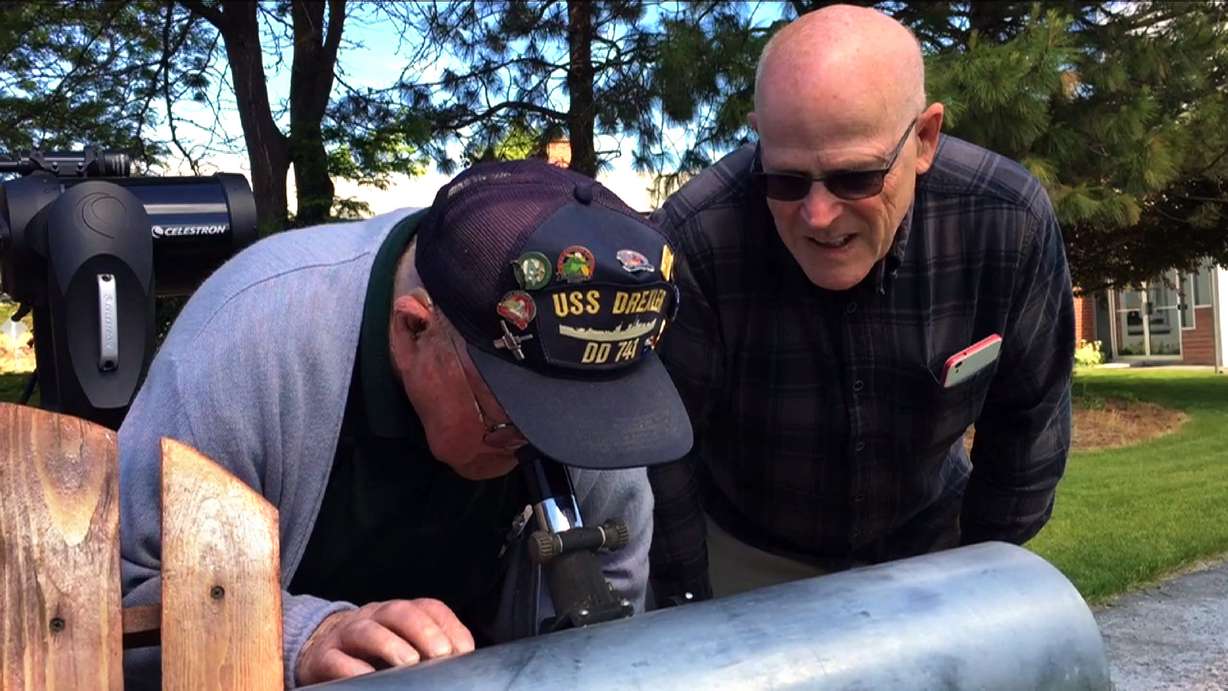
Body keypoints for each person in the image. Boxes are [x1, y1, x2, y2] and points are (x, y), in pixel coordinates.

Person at [119, 160, 692, 688]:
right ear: (414, 328)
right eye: (513, 419)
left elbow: (610, 606)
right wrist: (297, 638)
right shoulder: (249, 344)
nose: (545, 445)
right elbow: (118, 593)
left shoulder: (585, 360)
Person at [648, 4, 1075, 603]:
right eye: (786, 180)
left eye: (855, 178)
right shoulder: (696, 238)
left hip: (934, 543)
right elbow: (664, 453)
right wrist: (690, 609)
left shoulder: (1005, 220)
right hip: (751, 552)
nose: (818, 216)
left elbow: (1028, 423)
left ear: (924, 139)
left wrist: (982, 580)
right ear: (759, 137)